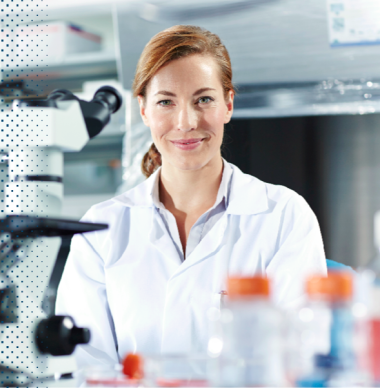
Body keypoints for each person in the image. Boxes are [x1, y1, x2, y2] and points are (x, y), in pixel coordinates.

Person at [55, 25, 327, 368]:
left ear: (228, 104)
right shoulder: (100, 230)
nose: (185, 122)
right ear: (144, 110)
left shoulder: (283, 216)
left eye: (204, 100)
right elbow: (85, 367)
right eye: (166, 102)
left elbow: (300, 358)